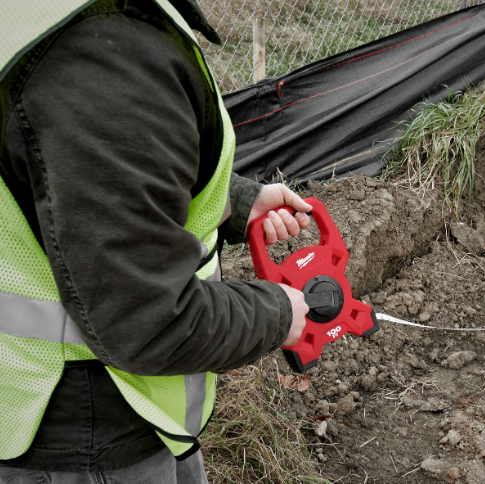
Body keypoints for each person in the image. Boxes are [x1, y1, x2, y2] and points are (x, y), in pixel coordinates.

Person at [0, 0, 310, 481]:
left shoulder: (44, 16)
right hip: (89, 434)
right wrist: (279, 314)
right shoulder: (101, 53)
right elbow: (149, 322)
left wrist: (236, 200)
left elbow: (81, 174)